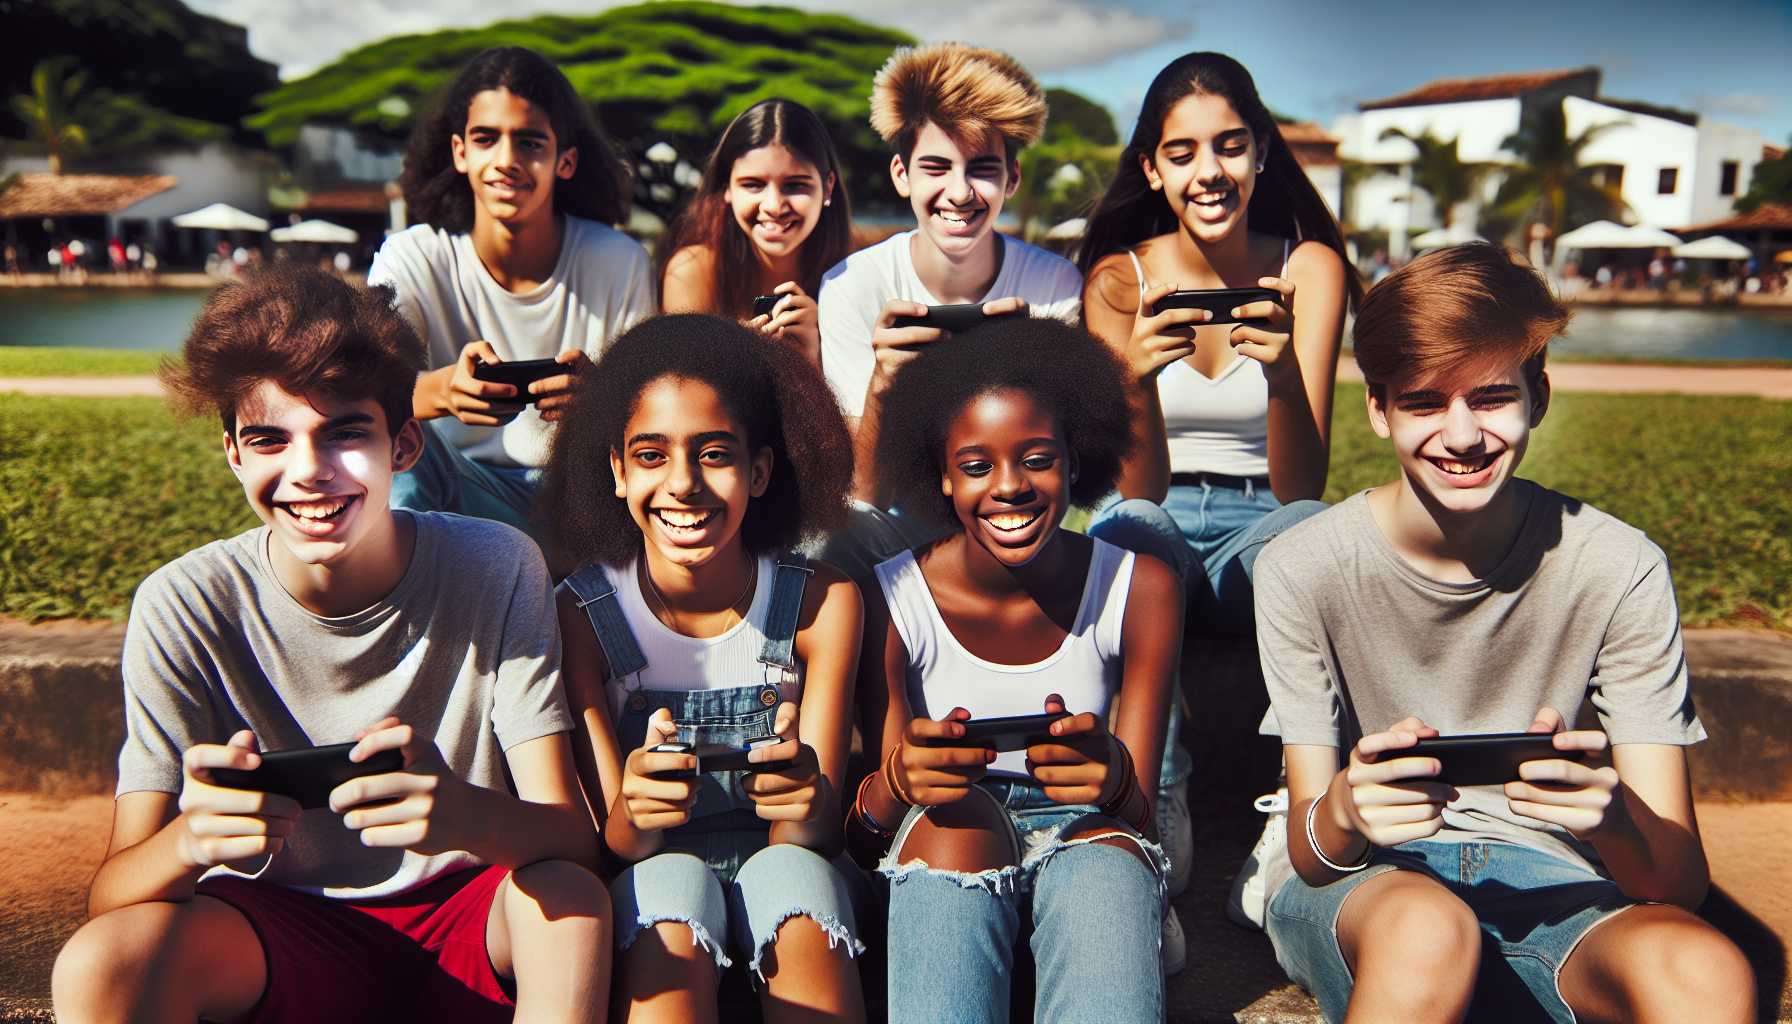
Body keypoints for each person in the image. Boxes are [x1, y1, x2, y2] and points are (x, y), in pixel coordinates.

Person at [50, 266, 610, 1023]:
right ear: (234, 454)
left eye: (345, 432)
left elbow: (571, 840)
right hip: (276, 928)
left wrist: (459, 815)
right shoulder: (183, 602)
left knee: (570, 905)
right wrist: (191, 840)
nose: (308, 471)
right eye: (270, 438)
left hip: (470, 913)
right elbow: (111, 896)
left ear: (404, 443)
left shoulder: (497, 562)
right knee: (100, 963)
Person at [1255, 243, 1756, 1024]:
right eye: (1425, 403)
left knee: (1707, 970)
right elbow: (1310, 850)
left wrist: (1615, 820)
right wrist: (1349, 809)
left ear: (1539, 397)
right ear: (1378, 407)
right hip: (1366, 884)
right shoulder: (1302, 566)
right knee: (1427, 931)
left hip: (1552, 879)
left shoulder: (1617, 566)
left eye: (1492, 397)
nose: (1462, 436)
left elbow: (1678, 884)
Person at [1076, 51, 1361, 935]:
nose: (1211, 172)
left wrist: (1279, 380)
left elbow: (1298, 487)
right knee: (1126, 522)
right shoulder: (1119, 280)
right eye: (1185, 152)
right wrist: (1133, 383)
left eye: (1231, 146)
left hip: (1256, 526)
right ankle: (1154, 811)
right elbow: (1137, 488)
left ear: (1262, 154)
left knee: (1316, 526)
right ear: (1153, 170)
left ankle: (1294, 815)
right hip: (1154, 519)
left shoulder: (1307, 267)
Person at [852, 316, 1182, 1023]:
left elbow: (1143, 818)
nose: (1011, 487)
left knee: (1107, 865)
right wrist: (899, 780)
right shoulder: (891, 597)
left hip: (1091, 834)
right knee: (954, 822)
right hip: (946, 839)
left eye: (1037, 459)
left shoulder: (1139, 586)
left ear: (1075, 459)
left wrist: (1115, 777)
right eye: (977, 466)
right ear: (941, 473)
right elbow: (864, 835)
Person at [539, 314, 867, 1022]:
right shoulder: (584, 614)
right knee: (671, 889)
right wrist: (637, 808)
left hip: (790, 868)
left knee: (792, 877)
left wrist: (804, 802)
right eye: (652, 456)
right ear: (619, 474)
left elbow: (822, 834)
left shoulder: (822, 602)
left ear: (760, 471)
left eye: (714, 454)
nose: (683, 484)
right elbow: (614, 845)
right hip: (654, 875)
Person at [368, 46, 655, 540]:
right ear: (460, 152)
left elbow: (654, 406)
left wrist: (600, 399)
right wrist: (444, 391)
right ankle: (403, 604)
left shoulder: (618, 260)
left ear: (564, 161)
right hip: (453, 489)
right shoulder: (412, 256)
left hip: (582, 493)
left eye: (529, 143)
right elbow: (364, 391)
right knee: (395, 445)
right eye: (486, 138)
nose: (506, 161)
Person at [818, 42, 1081, 517]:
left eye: (982, 170)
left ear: (1013, 179)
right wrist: (882, 386)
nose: (959, 193)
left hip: (1010, 508)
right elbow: (863, 497)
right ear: (902, 175)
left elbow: (1058, 480)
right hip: (896, 517)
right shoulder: (851, 284)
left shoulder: (1055, 284)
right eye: (936, 168)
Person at [659, 98, 853, 370]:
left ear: (828, 188)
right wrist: (736, 355)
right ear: (727, 186)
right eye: (753, 185)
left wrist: (814, 356)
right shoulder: (692, 271)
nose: (773, 206)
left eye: (795, 185)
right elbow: (680, 392)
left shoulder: (854, 275)